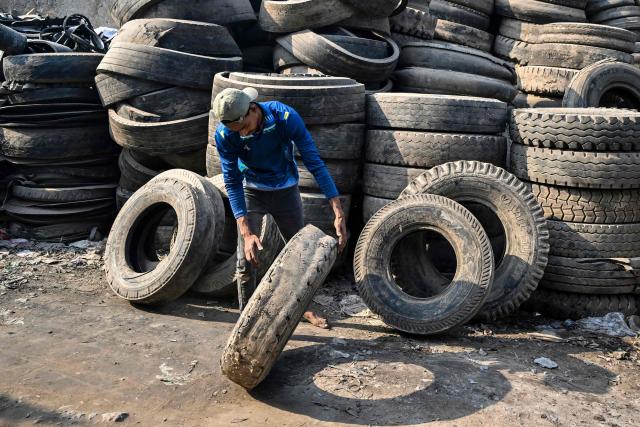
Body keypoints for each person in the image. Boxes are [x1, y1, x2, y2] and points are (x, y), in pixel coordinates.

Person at [211, 86, 348, 329]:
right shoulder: (225, 135)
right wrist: (245, 231)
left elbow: (314, 161)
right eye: (235, 131)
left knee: (301, 255)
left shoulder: (284, 117)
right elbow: (231, 180)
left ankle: (305, 308)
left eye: (243, 128)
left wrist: (337, 210)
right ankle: (245, 319)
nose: (241, 134)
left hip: (286, 190)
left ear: (253, 109)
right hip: (251, 190)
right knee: (245, 261)